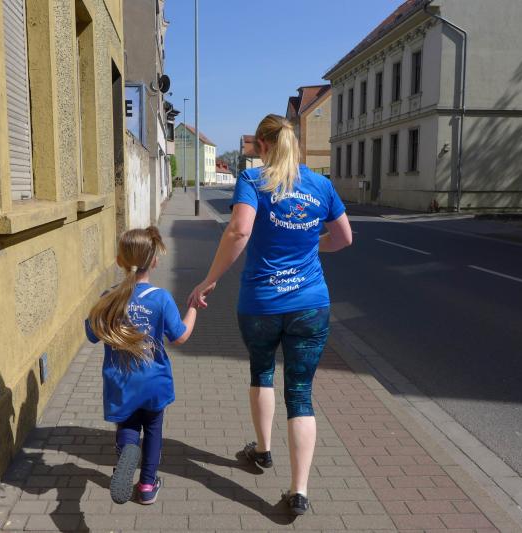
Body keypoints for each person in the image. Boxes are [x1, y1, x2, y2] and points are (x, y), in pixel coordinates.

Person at [188, 114, 352, 515]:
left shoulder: (253, 180)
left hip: (261, 302)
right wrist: (310, 245)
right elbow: (344, 238)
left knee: (261, 372)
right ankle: (299, 491)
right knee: (300, 393)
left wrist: (209, 280)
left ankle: (262, 451)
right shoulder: (320, 185)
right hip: (311, 304)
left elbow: (239, 231)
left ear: (262, 145)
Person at [86, 226, 198, 505]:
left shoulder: (108, 298)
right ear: (155, 261)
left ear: (119, 260)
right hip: (153, 382)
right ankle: (147, 485)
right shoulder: (161, 298)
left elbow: (91, 334)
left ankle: (127, 449)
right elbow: (180, 336)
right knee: (153, 430)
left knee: (127, 426)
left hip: (121, 382)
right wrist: (194, 309)